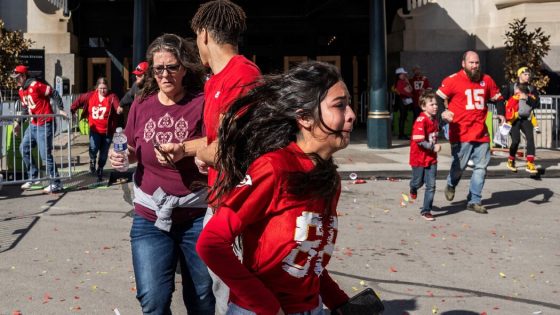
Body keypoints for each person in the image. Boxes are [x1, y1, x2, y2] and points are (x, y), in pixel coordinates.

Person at [196, 61, 354, 315]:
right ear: (304, 117)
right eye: (339, 105)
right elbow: (211, 243)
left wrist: (338, 301)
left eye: (348, 104)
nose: (351, 115)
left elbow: (307, 255)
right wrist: (267, 306)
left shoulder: (329, 178)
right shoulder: (273, 168)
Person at [108, 34, 215, 314]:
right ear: (152, 72)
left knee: (202, 300)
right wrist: (121, 155)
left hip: (196, 217)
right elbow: (132, 148)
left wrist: (183, 149)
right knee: (153, 299)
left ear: (184, 68)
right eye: (159, 69)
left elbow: (217, 142)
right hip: (150, 217)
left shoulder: (202, 102)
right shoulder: (142, 105)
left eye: (172, 67)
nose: (165, 74)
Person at [190, 0, 261, 312]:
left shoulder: (243, 75)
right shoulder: (214, 80)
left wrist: (203, 152)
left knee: (232, 295)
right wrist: (192, 149)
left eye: (196, 38)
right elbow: (215, 142)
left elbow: (229, 150)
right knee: (221, 286)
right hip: (219, 198)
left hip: (237, 203)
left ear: (204, 34)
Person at [437, 51, 505, 214]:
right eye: (471, 63)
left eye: (477, 63)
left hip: (481, 133)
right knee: (459, 166)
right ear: (463, 64)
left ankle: (474, 200)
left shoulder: (486, 80)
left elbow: (499, 98)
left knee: (481, 167)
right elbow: (438, 97)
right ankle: (451, 183)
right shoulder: (452, 80)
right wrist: (443, 111)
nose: (475, 66)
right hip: (461, 133)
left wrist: (501, 113)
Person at [11, 65, 68, 193]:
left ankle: (56, 182)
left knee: (45, 154)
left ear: (24, 76)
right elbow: (26, 108)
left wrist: (61, 108)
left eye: (18, 78)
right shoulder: (21, 90)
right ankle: (33, 176)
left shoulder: (36, 85)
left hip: (45, 124)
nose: (16, 81)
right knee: (23, 148)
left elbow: (54, 92)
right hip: (33, 125)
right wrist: (19, 123)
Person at [70, 77, 122, 181]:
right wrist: (73, 109)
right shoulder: (90, 95)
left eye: (105, 88)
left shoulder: (112, 96)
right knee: (93, 148)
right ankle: (92, 160)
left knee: (103, 152)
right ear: (97, 88)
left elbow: (117, 106)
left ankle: (100, 168)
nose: (103, 91)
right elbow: (79, 99)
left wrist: (119, 109)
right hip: (94, 129)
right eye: (101, 88)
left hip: (107, 131)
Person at [409, 90, 440, 221]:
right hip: (419, 158)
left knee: (431, 185)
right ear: (423, 106)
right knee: (418, 182)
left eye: (436, 104)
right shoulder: (421, 120)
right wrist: (433, 147)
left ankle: (426, 210)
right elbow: (419, 140)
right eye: (431, 104)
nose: (435, 106)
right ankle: (413, 187)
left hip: (431, 159)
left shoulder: (435, 120)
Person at [504, 83, 539, 174]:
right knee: (516, 140)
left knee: (530, 139)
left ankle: (530, 162)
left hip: (526, 119)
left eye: (517, 90)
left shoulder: (530, 96)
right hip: (515, 120)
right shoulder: (514, 97)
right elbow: (508, 106)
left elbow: (536, 104)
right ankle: (511, 160)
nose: (516, 91)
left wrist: (527, 98)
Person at [502, 66, 540, 132]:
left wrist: (527, 97)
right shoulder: (511, 87)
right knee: (515, 141)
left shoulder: (531, 88)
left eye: (529, 75)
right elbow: (501, 99)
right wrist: (502, 115)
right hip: (513, 119)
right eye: (525, 74)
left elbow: (537, 104)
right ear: (519, 75)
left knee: (531, 142)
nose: (528, 76)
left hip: (527, 118)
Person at [120, 61, 148, 126]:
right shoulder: (136, 85)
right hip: (138, 122)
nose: (136, 76)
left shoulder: (154, 89)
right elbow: (129, 95)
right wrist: (121, 104)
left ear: (147, 75)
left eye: (139, 75)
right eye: (136, 74)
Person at [393, 67, 413, 140]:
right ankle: (401, 134)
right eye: (403, 74)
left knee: (403, 117)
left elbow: (410, 90)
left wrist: (407, 82)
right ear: (399, 75)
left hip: (405, 100)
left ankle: (402, 134)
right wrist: (407, 82)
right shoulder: (400, 82)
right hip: (402, 100)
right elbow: (409, 90)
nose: (404, 75)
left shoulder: (403, 81)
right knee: (402, 117)